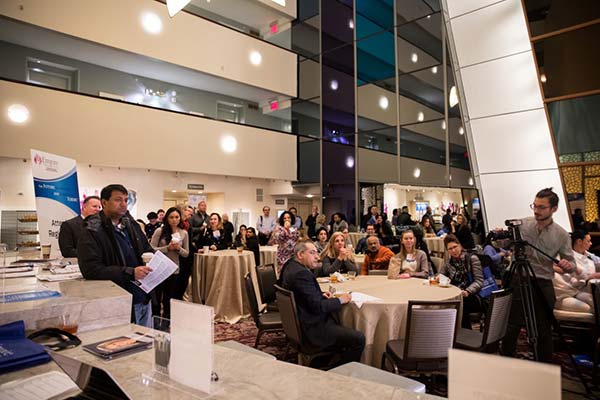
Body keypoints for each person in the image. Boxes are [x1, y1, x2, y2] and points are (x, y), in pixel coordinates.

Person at [501, 188, 576, 363]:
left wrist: (567, 265)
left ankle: (544, 367)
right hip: (518, 278)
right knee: (512, 324)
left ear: (554, 209)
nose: (536, 211)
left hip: (543, 282)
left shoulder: (562, 234)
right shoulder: (522, 224)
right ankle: (505, 362)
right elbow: (503, 244)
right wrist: (500, 237)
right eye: (534, 206)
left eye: (542, 207)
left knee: (544, 327)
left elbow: (571, 265)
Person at [278, 239, 365, 366]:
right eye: (312, 253)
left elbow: (301, 294)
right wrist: (341, 299)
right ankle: (337, 373)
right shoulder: (302, 274)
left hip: (298, 323)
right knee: (358, 339)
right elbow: (318, 307)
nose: (317, 257)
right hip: (312, 329)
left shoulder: (289, 265)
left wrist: (319, 295)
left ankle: (325, 361)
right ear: (300, 255)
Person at [78, 184, 154, 327]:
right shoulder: (92, 230)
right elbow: (91, 269)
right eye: (118, 200)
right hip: (118, 301)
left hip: (143, 295)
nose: (123, 204)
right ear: (104, 202)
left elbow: (146, 248)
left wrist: (158, 260)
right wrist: (130, 272)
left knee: (147, 342)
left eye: (126, 200)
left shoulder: (131, 225)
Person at [150, 207, 189, 320]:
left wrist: (178, 249)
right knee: (157, 299)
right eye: (171, 217)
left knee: (169, 298)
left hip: (174, 269)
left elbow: (186, 253)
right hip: (159, 268)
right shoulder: (160, 231)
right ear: (167, 218)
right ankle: (155, 321)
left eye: (177, 217)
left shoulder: (184, 233)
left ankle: (167, 322)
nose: (174, 220)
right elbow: (151, 249)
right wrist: (168, 248)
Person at [439, 234, 484, 329]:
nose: (453, 250)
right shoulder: (449, 263)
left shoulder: (471, 258)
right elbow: (440, 275)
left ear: (459, 245)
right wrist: (439, 278)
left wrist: (468, 291)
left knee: (460, 305)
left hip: (474, 295)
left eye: (455, 247)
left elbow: (479, 281)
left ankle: (465, 333)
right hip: (457, 294)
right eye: (450, 249)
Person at [553, 230, 599, 313]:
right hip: (564, 294)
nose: (591, 243)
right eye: (588, 241)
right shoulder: (563, 255)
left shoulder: (590, 260)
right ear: (579, 241)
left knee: (596, 302)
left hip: (578, 291)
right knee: (590, 308)